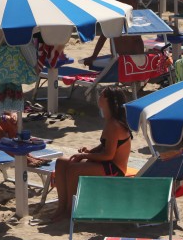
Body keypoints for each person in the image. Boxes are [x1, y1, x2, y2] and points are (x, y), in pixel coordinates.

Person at [46, 88, 132, 221]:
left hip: (115, 169)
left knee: (74, 170)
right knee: (62, 162)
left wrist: (84, 156)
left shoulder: (114, 125)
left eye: (101, 95)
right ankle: (61, 207)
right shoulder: (110, 121)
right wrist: (90, 151)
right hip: (106, 164)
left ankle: (70, 210)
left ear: (108, 101)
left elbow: (108, 155)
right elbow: (105, 146)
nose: (98, 97)